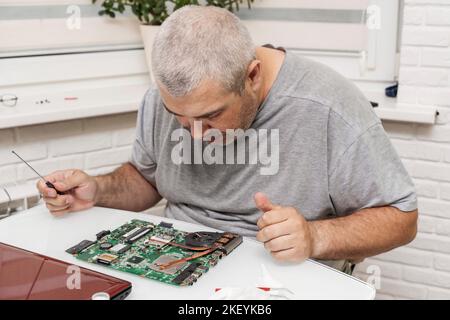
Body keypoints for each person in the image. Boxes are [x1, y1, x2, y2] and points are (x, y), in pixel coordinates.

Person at [37, 5, 418, 273]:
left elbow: (402, 218)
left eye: (210, 116)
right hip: (174, 264)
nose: (195, 133)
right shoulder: (165, 97)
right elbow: (148, 178)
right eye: (179, 119)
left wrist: (315, 236)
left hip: (282, 274)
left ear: (252, 76)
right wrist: (98, 190)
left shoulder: (328, 106)